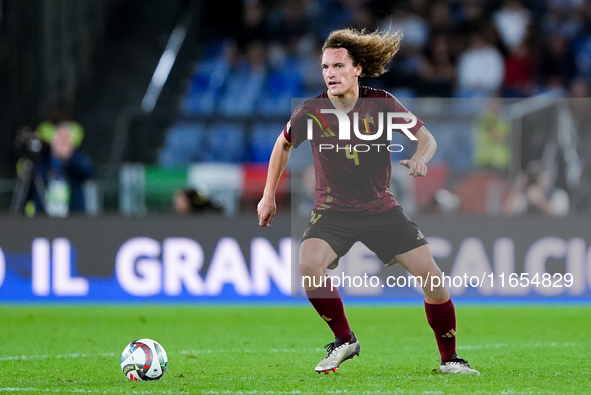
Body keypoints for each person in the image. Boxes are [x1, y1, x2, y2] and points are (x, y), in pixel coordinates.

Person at [257, 28, 479, 375]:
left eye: (338, 66)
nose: (330, 73)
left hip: (381, 210)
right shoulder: (311, 112)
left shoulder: (382, 103)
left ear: (358, 68)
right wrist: (268, 195)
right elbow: (282, 144)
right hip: (333, 211)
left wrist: (421, 158)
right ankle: (344, 339)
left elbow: (427, 139)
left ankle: (450, 359)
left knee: (434, 281)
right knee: (308, 266)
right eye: (325, 67)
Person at [29, 122, 93, 216]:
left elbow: (87, 171)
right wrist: (54, 154)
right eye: (60, 138)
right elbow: (34, 179)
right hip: (44, 216)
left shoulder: (78, 159)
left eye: (66, 139)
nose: (63, 142)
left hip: (73, 216)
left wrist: (69, 156)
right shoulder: (42, 161)